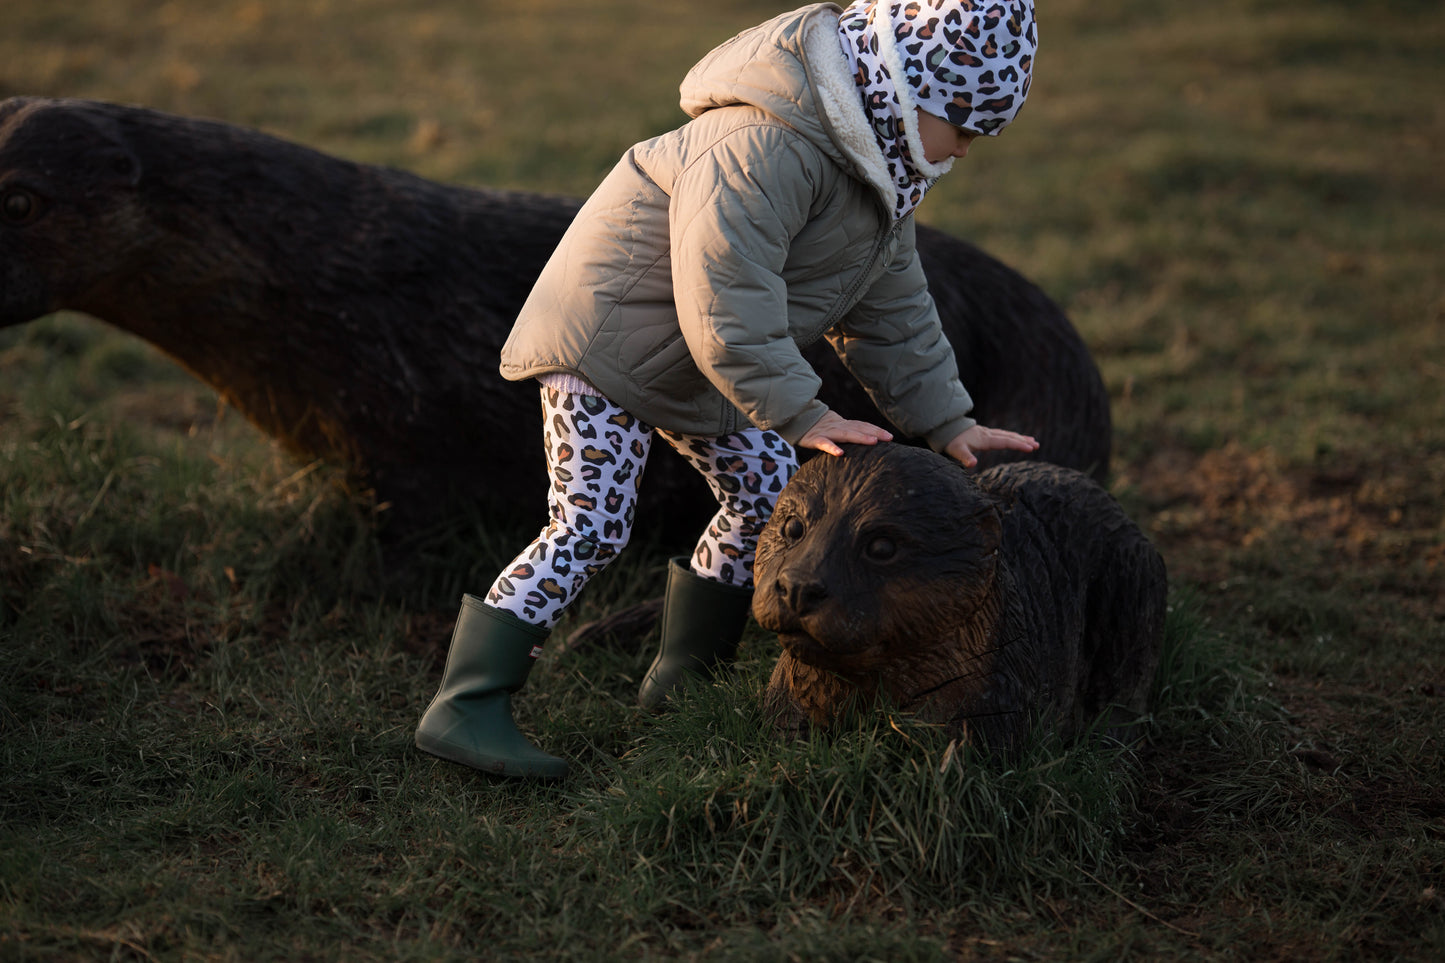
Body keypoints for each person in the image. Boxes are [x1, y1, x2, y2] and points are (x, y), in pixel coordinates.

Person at [415, 0, 1041, 780]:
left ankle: (686, 673)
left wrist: (947, 420)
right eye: (964, 122)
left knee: (765, 499)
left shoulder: (880, 173)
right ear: (902, 83)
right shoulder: (761, 145)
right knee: (589, 523)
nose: (969, 145)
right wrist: (800, 411)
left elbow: (891, 309)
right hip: (605, 341)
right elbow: (724, 292)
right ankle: (466, 703)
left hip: (696, 357)